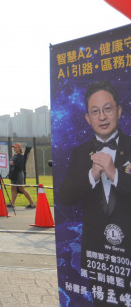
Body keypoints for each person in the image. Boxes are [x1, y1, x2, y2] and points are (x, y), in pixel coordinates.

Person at [58, 80, 131, 305]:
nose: (102, 117)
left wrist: (114, 173)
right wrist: (92, 175)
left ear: (119, 111)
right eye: (95, 111)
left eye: (107, 109)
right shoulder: (80, 153)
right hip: (97, 256)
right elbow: (65, 197)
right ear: (88, 118)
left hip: (128, 253)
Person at [8, 143, 35, 208]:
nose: (14, 149)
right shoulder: (15, 155)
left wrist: (13, 163)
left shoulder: (21, 156)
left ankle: (32, 203)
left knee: (21, 189)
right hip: (14, 174)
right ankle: (12, 204)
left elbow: (20, 166)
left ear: (19, 148)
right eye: (14, 147)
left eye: (16, 147)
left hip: (19, 174)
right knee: (13, 188)